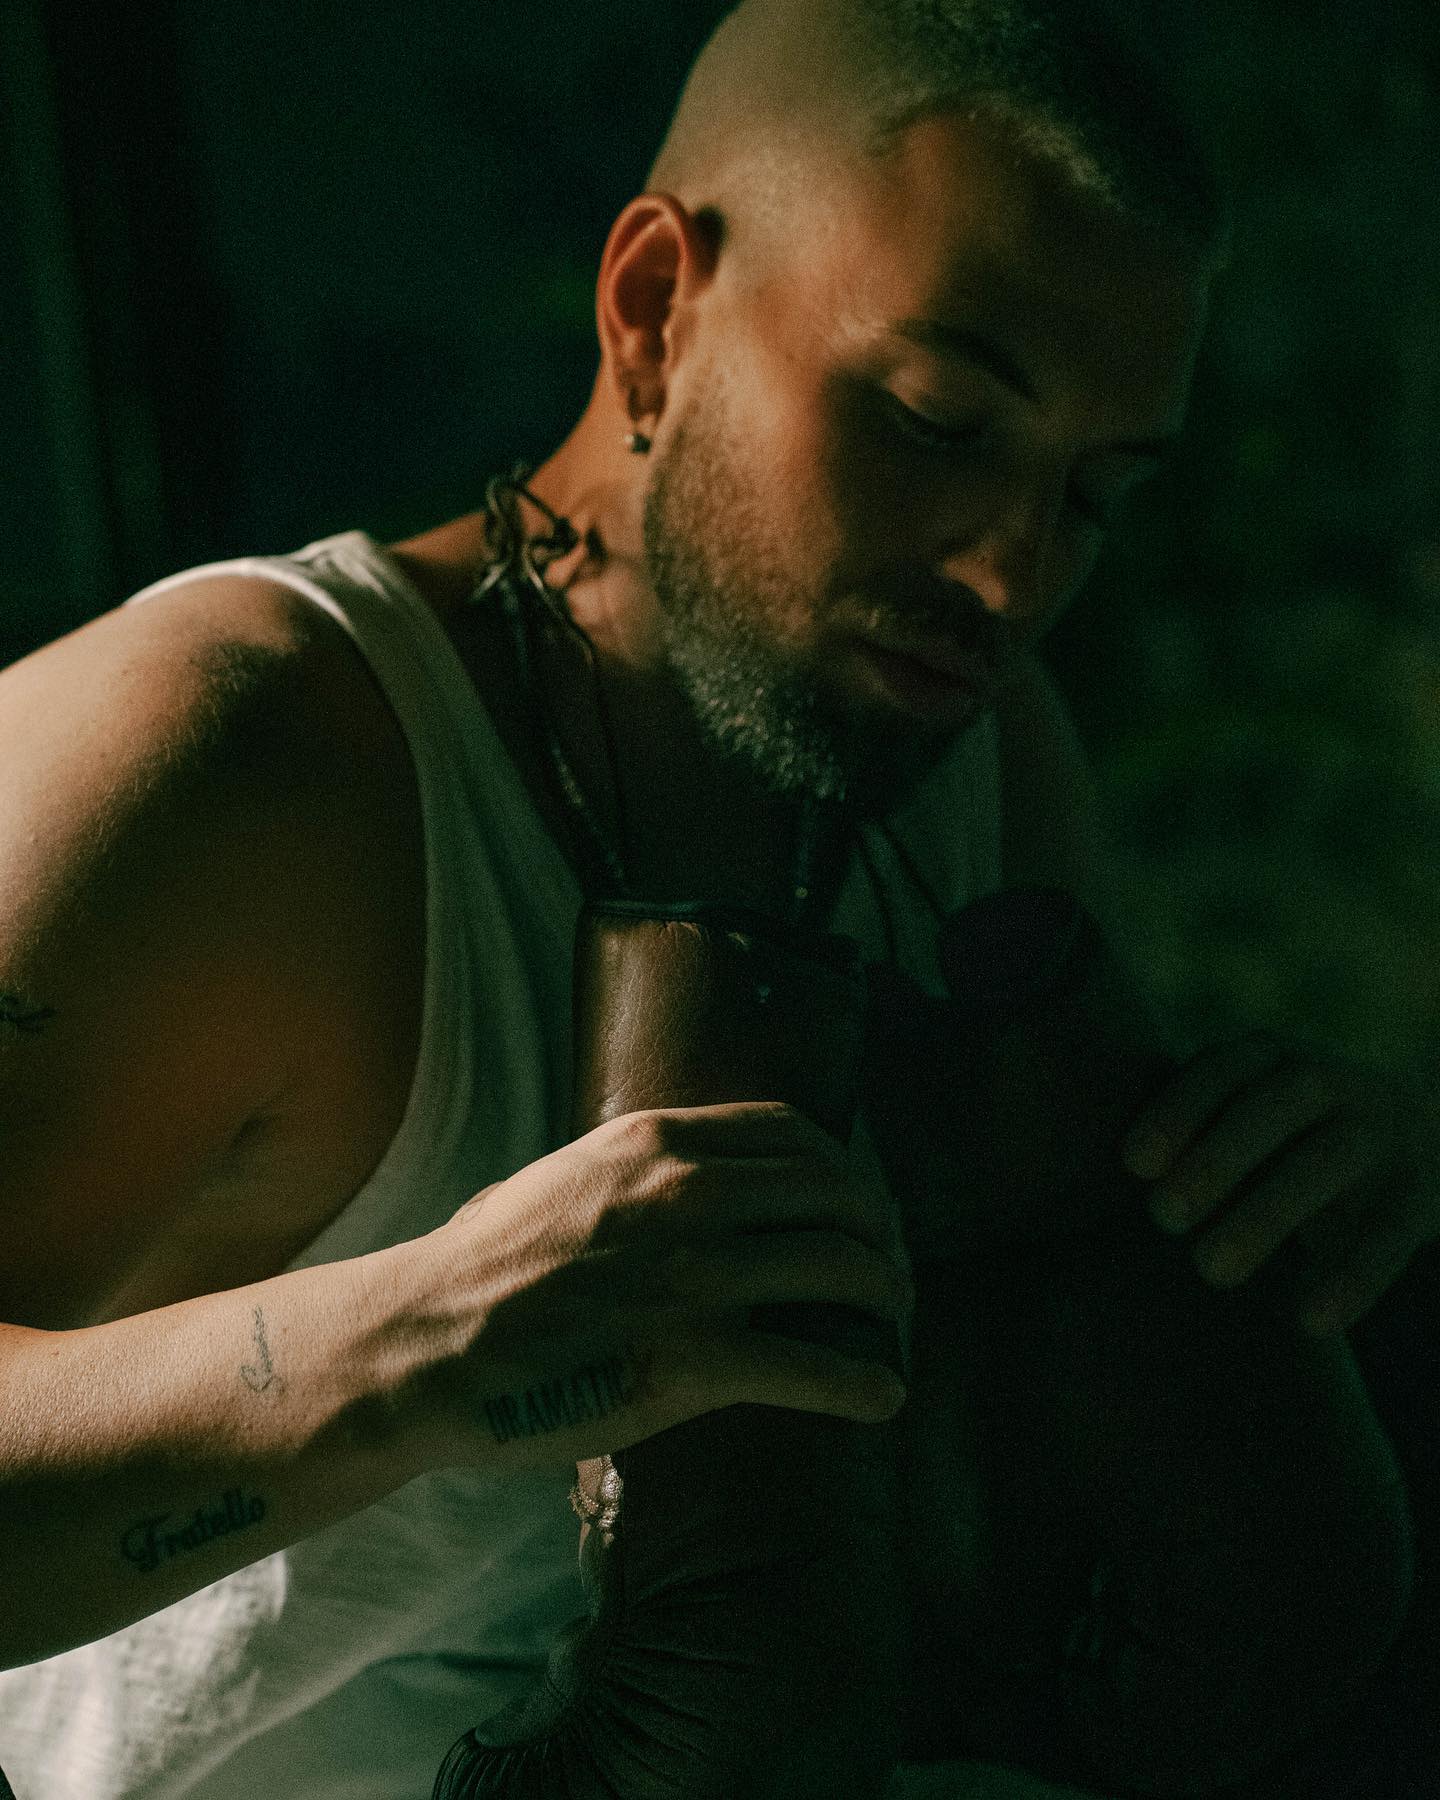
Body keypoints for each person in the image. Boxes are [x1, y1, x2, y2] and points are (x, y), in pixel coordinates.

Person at [0, 2, 1432, 1796]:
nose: (1010, 574)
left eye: (1097, 495)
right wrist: (421, 1342)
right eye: (935, 418)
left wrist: (1270, 1198)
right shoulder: (228, 751)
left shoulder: (967, 748)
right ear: (654, 308)